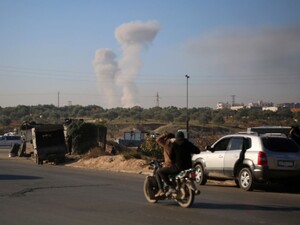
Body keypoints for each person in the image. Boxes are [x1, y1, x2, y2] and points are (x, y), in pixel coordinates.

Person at [157, 131, 200, 196]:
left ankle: (171, 187)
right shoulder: (188, 143)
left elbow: (171, 156)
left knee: (160, 171)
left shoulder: (174, 144)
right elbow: (197, 151)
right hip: (189, 166)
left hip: (178, 167)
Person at [154, 133, 175, 197]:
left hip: (170, 165)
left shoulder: (166, 144)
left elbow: (157, 140)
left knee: (158, 172)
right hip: (178, 164)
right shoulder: (177, 144)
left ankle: (161, 189)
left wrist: (164, 134)